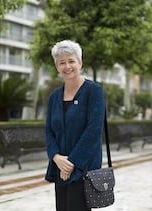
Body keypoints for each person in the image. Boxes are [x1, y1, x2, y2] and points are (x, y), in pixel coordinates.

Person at [44, 40, 106, 211]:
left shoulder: (94, 91)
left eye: (71, 61)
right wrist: (56, 157)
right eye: (62, 62)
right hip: (59, 167)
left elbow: (93, 131)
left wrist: (72, 162)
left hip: (83, 168)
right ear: (57, 67)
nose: (67, 66)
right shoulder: (54, 97)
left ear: (80, 63)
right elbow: (49, 130)